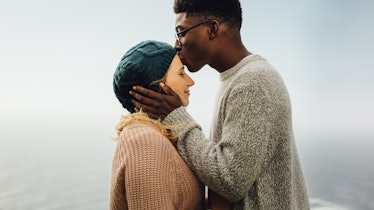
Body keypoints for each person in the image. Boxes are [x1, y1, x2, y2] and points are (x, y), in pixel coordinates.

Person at [129, 0, 310, 209]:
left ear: (212, 29)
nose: (176, 45)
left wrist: (176, 116)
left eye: (181, 33)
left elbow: (229, 180)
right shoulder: (237, 79)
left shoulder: (253, 82)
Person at [110, 40, 205, 210]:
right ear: (158, 86)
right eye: (181, 73)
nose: (190, 82)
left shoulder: (162, 135)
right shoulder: (143, 141)